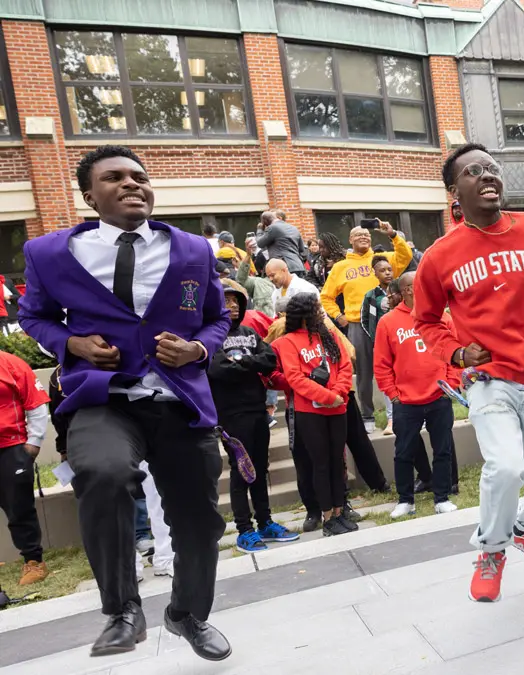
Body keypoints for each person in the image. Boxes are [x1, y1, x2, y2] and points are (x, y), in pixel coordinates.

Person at [19, 145, 233, 660]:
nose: (132, 183)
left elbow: (218, 318)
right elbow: (35, 317)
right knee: (105, 472)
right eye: (114, 178)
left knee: (200, 521)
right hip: (103, 398)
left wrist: (198, 348)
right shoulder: (50, 254)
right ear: (89, 195)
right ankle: (122, 610)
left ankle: (187, 614)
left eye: (139, 176)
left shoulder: (194, 251)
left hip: (177, 399)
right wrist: (71, 344)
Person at [413, 143, 524, 603]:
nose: (487, 176)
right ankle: (491, 550)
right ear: (454, 190)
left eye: (492, 168)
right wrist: (457, 354)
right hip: (488, 382)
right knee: (506, 467)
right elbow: (424, 322)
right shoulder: (439, 256)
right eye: (473, 171)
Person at [207, 280, 297, 553]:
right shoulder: (209, 336)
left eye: (236, 300)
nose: (232, 305)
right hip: (232, 413)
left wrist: (241, 363)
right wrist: (251, 363)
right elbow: (218, 369)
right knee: (241, 470)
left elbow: (269, 359)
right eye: (226, 301)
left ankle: (265, 521)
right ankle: (244, 530)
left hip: (258, 409)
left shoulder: (248, 332)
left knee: (260, 468)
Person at [271, 293, 357, 536]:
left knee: (337, 462)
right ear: (303, 314)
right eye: (316, 309)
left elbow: (344, 366)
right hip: (309, 412)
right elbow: (295, 378)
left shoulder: (328, 336)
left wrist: (339, 393)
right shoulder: (288, 342)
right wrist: (328, 397)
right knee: (320, 464)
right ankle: (327, 517)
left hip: (338, 407)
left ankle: (340, 513)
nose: (321, 313)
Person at [375, 273, 460, 518]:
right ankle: (405, 501)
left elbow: (456, 352)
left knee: (442, 449)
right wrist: (393, 394)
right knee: (403, 452)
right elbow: (381, 363)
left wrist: (451, 385)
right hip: (405, 400)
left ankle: (442, 498)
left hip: (439, 396)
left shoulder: (441, 318)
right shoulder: (388, 322)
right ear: (409, 290)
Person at [320, 223, 414, 432]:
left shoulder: (383, 260)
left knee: (396, 366)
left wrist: (392, 234)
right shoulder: (341, 267)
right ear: (350, 241)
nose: (364, 237)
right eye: (358, 235)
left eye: (366, 234)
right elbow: (326, 297)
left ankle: (399, 412)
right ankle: (367, 415)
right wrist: (339, 316)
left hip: (388, 321)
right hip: (358, 324)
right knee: (363, 372)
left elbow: (405, 255)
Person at [0, 350, 50, 587]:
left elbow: (36, 403)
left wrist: (33, 443)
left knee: (19, 508)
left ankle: (33, 560)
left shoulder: (11, 364)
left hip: (11, 447)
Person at [361, 255, 395, 435]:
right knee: (387, 379)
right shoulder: (371, 296)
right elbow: (365, 319)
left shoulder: (400, 290)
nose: (387, 273)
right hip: (382, 345)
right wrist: (375, 338)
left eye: (389, 269)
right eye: (382, 270)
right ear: (375, 274)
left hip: (402, 340)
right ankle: (391, 418)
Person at [252, 210, 306, 276]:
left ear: (265, 222)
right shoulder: (294, 228)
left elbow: (260, 243)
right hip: (298, 266)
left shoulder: (272, 227)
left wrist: (260, 230)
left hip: (283, 267)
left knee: (285, 286)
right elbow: (302, 251)